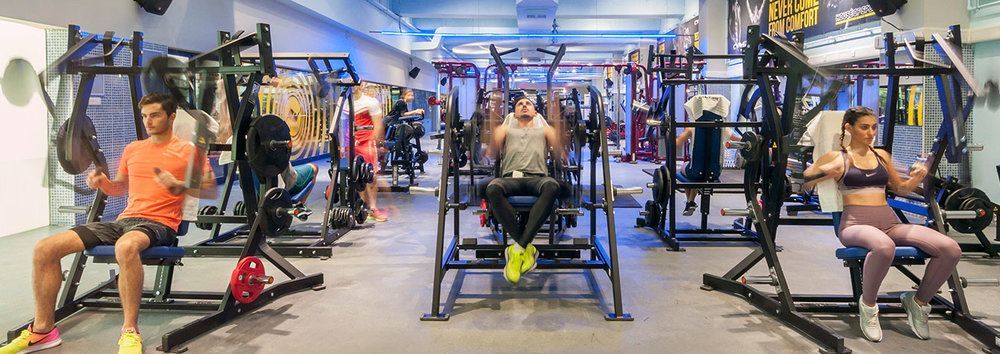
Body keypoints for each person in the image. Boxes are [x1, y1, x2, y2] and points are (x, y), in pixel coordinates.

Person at [1, 93, 216, 354]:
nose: (148, 121)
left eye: (155, 115)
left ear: (171, 117)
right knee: (45, 248)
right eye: (145, 116)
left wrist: (178, 184)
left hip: (160, 224)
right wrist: (103, 184)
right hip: (125, 220)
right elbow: (120, 187)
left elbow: (209, 189)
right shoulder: (133, 148)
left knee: (126, 247)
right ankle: (44, 330)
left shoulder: (188, 150)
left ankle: (129, 331)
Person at [802, 106, 959, 342]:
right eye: (864, 127)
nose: (870, 133)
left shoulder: (881, 156)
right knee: (884, 246)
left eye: (874, 127)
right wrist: (827, 172)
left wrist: (919, 175)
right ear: (849, 128)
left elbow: (901, 188)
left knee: (950, 249)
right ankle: (868, 306)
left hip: (888, 222)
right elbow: (806, 180)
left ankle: (918, 302)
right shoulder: (837, 157)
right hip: (855, 224)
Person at [486, 96, 562, 285]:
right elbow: (491, 148)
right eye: (520, 104)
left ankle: (517, 248)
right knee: (493, 188)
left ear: (535, 112)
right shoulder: (507, 128)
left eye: (528, 104)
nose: (524, 106)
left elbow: (559, 149)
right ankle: (526, 247)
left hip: (538, 178)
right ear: (514, 113)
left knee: (552, 186)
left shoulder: (544, 129)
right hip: (511, 178)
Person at [674, 126, 741, 216]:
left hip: (695, 171)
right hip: (714, 172)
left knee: (689, 167)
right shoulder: (724, 129)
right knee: (700, 172)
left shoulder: (692, 128)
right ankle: (690, 201)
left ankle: (690, 201)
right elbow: (741, 140)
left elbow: (678, 143)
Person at [351, 84, 388, 222]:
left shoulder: (370, 102)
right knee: (357, 177)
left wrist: (379, 144)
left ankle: (373, 208)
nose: (353, 87)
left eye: (355, 84)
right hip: (351, 144)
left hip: (367, 143)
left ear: (361, 85)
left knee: (371, 177)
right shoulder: (345, 104)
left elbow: (378, 125)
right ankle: (363, 208)